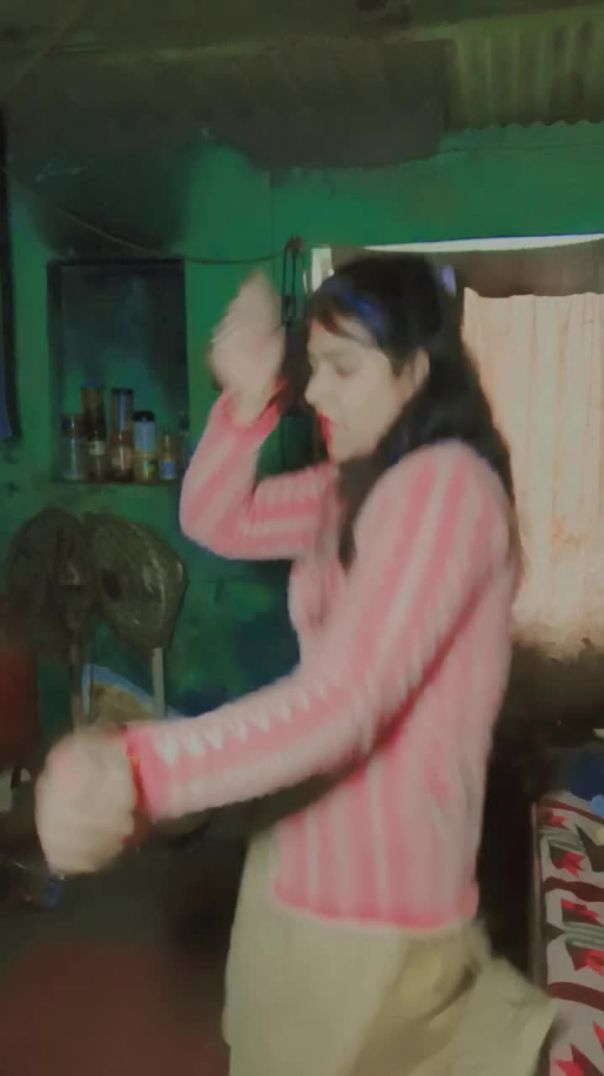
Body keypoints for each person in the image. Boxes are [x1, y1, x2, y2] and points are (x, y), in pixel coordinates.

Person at [36, 256, 554, 1075]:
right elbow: (216, 519)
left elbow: (346, 701)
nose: (315, 393)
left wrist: (138, 768)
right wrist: (246, 403)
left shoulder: (448, 491)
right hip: (295, 870)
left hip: (381, 916)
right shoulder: (348, 488)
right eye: (313, 367)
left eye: (342, 368)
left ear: (416, 370)